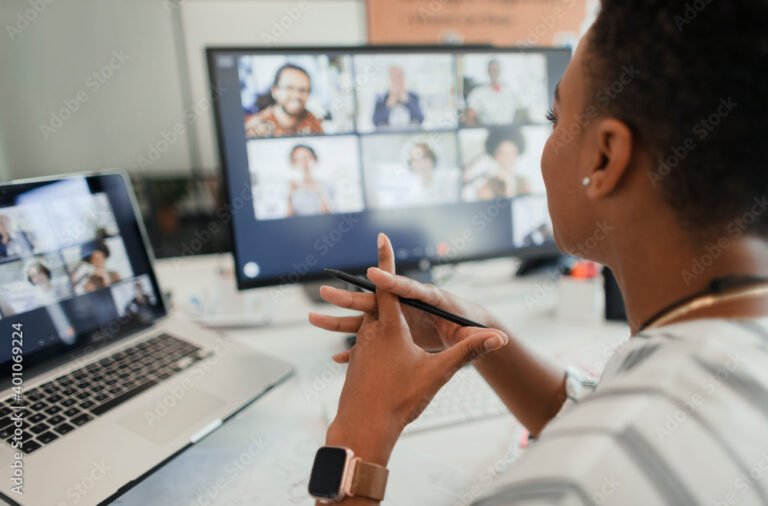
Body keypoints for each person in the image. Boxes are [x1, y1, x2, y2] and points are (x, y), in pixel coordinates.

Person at [308, 1, 768, 504]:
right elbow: (604, 414)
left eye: (555, 117)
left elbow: (598, 456)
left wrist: (360, 433)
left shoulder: (565, 488)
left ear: (605, 156)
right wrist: (472, 322)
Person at [244, 63, 324, 137]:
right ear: (274, 91)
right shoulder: (255, 126)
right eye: (289, 88)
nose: (296, 95)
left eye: (303, 90)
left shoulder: (312, 120)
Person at [463, 127, 531, 200]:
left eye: (511, 153)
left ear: (517, 154)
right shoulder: (486, 184)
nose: (507, 158)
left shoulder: (524, 183)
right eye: (502, 153)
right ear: (495, 155)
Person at [464, 58, 523, 126]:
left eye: (496, 70)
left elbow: (522, 113)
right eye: (492, 70)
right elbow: (469, 118)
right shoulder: (478, 93)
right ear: (488, 72)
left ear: (500, 71)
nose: (494, 73)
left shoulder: (511, 92)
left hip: (509, 132)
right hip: (488, 133)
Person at [286, 144, 333, 216]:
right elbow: (286, 220)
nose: (304, 163)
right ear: (293, 164)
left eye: (307, 158)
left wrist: (320, 193)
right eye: (298, 160)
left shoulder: (327, 185)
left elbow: (332, 216)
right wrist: (290, 197)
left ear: (315, 159)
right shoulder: (289, 188)